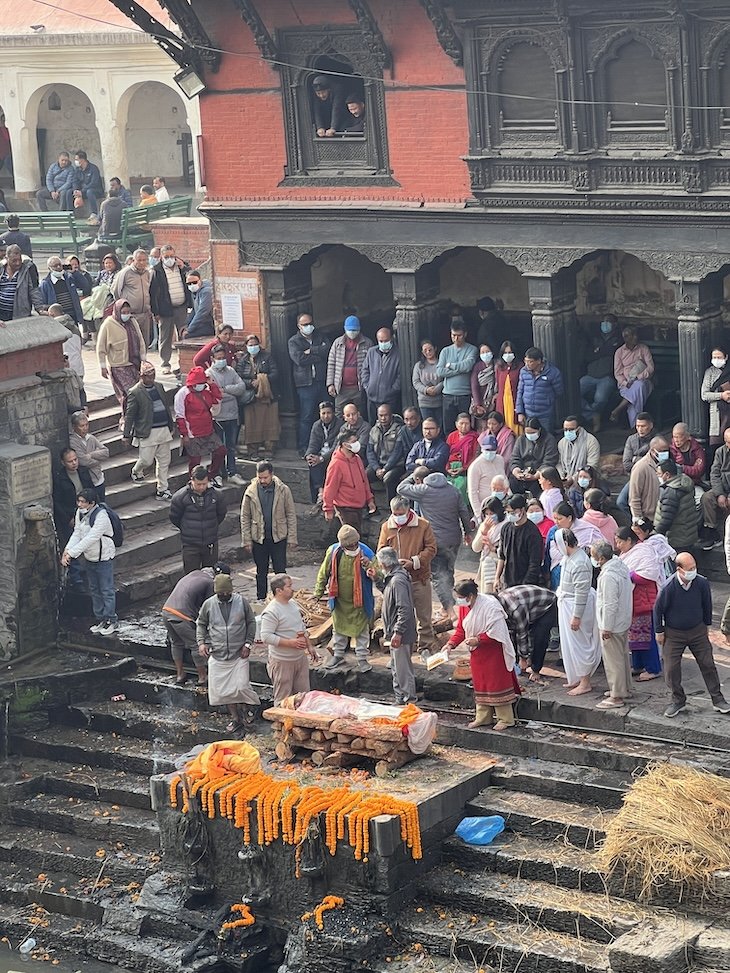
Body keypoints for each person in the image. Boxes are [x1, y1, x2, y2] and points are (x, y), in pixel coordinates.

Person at [653, 553, 730, 718]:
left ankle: (718, 699)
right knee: (671, 668)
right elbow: (658, 610)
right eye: (690, 569)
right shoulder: (669, 587)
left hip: (697, 630)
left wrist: (706, 625)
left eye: (694, 567)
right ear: (679, 570)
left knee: (708, 664)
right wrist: (659, 631)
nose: (693, 571)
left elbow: (707, 604)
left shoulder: (701, 582)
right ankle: (678, 700)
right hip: (674, 633)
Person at [397, 466, 471, 617]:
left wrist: (413, 476)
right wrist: (468, 532)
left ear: (420, 480)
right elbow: (463, 512)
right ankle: (448, 606)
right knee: (448, 572)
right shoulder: (452, 489)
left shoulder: (423, 490)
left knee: (438, 575)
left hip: (435, 540)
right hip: (454, 538)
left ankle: (450, 610)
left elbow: (401, 488)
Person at [445, 579, 520, 729]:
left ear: (471, 596)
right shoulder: (464, 608)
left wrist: (478, 640)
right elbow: (461, 629)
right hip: (477, 654)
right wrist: (450, 644)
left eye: (460, 597)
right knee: (480, 684)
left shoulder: (490, 606)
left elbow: (497, 632)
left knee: (496, 683)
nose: (458, 601)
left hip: (493, 653)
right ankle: (483, 717)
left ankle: (506, 719)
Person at [196, 573, 260, 732]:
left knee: (241, 686)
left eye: (227, 593)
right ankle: (236, 718)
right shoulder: (208, 604)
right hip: (218, 654)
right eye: (221, 593)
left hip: (239, 654)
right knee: (224, 692)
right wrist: (201, 643)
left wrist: (248, 643)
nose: (224, 596)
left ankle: (248, 709)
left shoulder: (241, 602)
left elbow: (251, 622)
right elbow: (201, 624)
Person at [377, 496, 437, 657]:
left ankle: (425, 647)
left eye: (401, 513)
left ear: (408, 510)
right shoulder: (386, 527)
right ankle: (402, 649)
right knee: (399, 615)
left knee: (424, 616)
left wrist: (414, 562)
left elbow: (431, 548)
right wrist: (392, 563)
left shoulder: (423, 525)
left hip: (419, 578)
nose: (397, 516)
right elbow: (381, 550)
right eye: (395, 513)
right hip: (397, 581)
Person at [314, 525, 375, 672]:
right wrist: (318, 592)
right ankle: (338, 655)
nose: (353, 547)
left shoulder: (366, 552)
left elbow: (378, 574)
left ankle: (362, 658)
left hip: (360, 601)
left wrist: (369, 567)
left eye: (355, 544)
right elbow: (324, 573)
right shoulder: (334, 552)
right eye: (349, 545)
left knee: (362, 631)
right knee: (339, 630)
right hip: (339, 600)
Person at [163, 562, 230, 685]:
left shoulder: (195, 573)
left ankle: (180, 674)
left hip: (166, 610)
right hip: (181, 615)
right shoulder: (210, 582)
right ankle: (202, 676)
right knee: (196, 644)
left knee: (176, 643)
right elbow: (210, 608)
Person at [61, 489, 118, 634]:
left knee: (106, 590)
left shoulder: (101, 516)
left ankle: (111, 620)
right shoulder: (79, 513)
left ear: (91, 503)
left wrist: (72, 554)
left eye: (82, 502)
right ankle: (100, 619)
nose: (79, 504)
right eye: (78, 501)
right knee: (94, 589)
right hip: (90, 557)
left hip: (103, 557)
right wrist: (67, 550)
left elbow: (91, 537)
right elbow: (77, 533)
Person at [240, 461, 297, 602]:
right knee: (261, 571)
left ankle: (281, 598)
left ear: (271, 474)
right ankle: (261, 598)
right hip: (259, 538)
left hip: (278, 538)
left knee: (280, 570)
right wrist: (246, 539)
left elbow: (290, 514)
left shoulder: (284, 490)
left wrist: (292, 538)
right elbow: (245, 516)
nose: (262, 480)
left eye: (265, 477)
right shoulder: (250, 491)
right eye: (260, 477)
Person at [555, 528, 601, 696]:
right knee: (571, 644)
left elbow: (581, 592)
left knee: (581, 644)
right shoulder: (570, 558)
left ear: (566, 543)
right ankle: (576, 677)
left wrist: (576, 616)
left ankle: (585, 682)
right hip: (567, 604)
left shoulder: (580, 562)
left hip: (576, 606)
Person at [260, 574, 318, 704]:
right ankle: (282, 723)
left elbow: (301, 627)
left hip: (299, 659)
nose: (293, 589)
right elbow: (266, 636)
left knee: (303, 697)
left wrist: (309, 646)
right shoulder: (272, 611)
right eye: (289, 586)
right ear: (279, 591)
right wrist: (290, 643)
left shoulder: (293, 604)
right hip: (282, 661)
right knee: (283, 699)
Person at [123, 361, 175, 501]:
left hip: (163, 429)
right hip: (148, 431)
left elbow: (165, 405)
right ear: (141, 376)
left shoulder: (159, 386)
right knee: (146, 460)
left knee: (164, 461)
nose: (151, 378)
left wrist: (171, 424)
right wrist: (126, 434)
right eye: (148, 375)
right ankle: (136, 470)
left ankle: (162, 489)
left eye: (153, 375)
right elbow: (130, 415)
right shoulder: (135, 392)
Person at [615, 527, 662, 680]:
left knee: (646, 637)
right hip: (633, 601)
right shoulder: (627, 554)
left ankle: (653, 668)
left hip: (645, 600)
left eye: (620, 542)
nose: (618, 546)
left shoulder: (643, 552)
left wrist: (628, 575)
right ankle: (638, 665)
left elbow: (650, 574)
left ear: (629, 540)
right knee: (634, 635)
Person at [591, 540, 633, 709]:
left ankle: (616, 695)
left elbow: (609, 603)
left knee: (613, 660)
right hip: (623, 619)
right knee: (622, 656)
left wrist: (606, 626)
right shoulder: (621, 566)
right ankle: (624, 688)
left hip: (613, 623)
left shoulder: (608, 576)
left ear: (601, 558)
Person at [374, 547, 418, 705]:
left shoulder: (397, 580)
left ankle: (409, 700)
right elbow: (387, 593)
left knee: (402, 669)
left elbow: (404, 608)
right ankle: (400, 698)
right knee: (396, 668)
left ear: (385, 563)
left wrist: (398, 632)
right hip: (396, 631)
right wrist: (377, 580)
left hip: (401, 633)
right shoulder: (393, 578)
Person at [170, 465, 228, 573]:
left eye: (204, 484)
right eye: (198, 484)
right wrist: (187, 528)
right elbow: (175, 517)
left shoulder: (217, 496)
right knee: (191, 577)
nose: (201, 487)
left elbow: (221, 514)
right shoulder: (180, 497)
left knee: (211, 576)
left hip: (210, 542)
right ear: (192, 480)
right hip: (190, 544)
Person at [96, 299, 146, 425]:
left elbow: (140, 341)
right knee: (128, 394)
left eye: (128, 312)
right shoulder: (108, 324)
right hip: (118, 366)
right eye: (123, 312)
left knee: (139, 392)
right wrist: (102, 366)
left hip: (134, 364)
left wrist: (144, 360)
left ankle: (138, 418)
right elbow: (101, 348)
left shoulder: (132, 322)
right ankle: (126, 420)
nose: (126, 315)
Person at [495, 584, 558, 683]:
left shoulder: (516, 608)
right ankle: (517, 666)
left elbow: (522, 634)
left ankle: (536, 670)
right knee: (514, 635)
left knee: (539, 637)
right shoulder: (498, 606)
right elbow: (510, 634)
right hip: (530, 605)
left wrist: (523, 658)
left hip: (547, 604)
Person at [174, 366, 226, 483]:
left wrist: (211, 384)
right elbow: (180, 415)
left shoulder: (206, 391)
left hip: (208, 430)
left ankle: (211, 475)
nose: (201, 385)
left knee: (221, 451)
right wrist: (185, 434)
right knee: (195, 460)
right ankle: (194, 481)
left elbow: (217, 399)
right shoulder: (182, 394)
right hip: (193, 433)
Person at [288, 312, 330, 455]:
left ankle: (326, 444)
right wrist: (317, 357)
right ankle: (304, 446)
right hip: (305, 384)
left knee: (325, 415)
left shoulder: (320, 336)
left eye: (310, 323)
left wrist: (311, 350)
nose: (309, 326)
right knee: (306, 416)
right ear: (299, 326)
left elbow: (327, 351)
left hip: (321, 381)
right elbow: (299, 359)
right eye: (305, 324)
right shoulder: (294, 341)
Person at [236, 332, 281, 462]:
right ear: (246, 346)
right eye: (251, 345)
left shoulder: (267, 357)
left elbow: (275, 373)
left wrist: (261, 380)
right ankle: (253, 450)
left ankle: (269, 449)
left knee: (270, 422)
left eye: (255, 344)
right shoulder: (243, 361)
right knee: (252, 424)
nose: (253, 347)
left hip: (268, 396)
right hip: (251, 397)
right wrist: (251, 383)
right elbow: (239, 378)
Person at [322, 429, 377, 533]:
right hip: (345, 507)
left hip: (358, 506)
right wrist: (328, 509)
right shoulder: (336, 464)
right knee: (351, 538)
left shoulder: (357, 459)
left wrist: (369, 499)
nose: (357, 444)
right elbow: (330, 487)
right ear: (345, 444)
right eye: (353, 441)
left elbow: (363, 480)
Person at [207, 344, 248, 481]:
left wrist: (224, 389)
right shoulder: (209, 374)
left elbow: (241, 387)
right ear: (212, 358)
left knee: (231, 446)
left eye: (223, 357)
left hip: (232, 414)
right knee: (218, 447)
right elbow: (214, 395)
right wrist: (230, 393)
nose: (221, 360)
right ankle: (218, 473)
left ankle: (232, 472)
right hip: (218, 417)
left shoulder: (231, 371)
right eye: (218, 358)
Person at [543, 501, 604, 590]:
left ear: (569, 518)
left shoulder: (587, 530)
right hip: (557, 576)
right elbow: (547, 555)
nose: (556, 522)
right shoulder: (553, 532)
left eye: (559, 519)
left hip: (579, 575)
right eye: (555, 518)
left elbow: (598, 550)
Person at [150, 244, 190, 375]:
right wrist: (155, 312)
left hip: (181, 307)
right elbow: (153, 293)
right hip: (165, 309)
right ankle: (165, 363)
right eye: (166, 257)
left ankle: (183, 362)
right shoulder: (157, 271)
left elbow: (192, 276)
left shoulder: (181, 267)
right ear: (161, 257)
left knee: (184, 335)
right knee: (165, 337)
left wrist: (183, 267)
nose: (169, 259)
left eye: (172, 256)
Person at [579, 315, 622, 432]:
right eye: (604, 322)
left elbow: (614, 353)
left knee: (600, 399)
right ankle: (592, 415)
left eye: (609, 322)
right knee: (574, 392)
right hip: (590, 375)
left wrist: (599, 351)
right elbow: (587, 356)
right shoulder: (595, 337)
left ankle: (595, 417)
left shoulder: (619, 338)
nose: (605, 324)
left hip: (607, 377)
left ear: (615, 324)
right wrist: (604, 351)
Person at [53, 447, 95, 562]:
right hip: (70, 514)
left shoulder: (83, 471)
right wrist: (68, 519)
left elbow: (92, 490)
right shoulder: (59, 478)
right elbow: (57, 501)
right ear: (63, 462)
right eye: (70, 461)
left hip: (88, 511)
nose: (74, 463)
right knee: (72, 544)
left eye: (75, 459)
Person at [436, 319, 478, 433]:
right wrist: (459, 370)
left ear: (465, 334)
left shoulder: (472, 349)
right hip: (448, 394)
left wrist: (450, 365)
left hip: (465, 394)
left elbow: (468, 366)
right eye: (453, 335)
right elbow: (440, 371)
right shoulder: (445, 351)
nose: (456, 338)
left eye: (459, 335)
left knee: (466, 427)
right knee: (448, 428)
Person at [494, 494, 543, 590]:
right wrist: (497, 577)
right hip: (508, 580)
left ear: (522, 510)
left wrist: (524, 585)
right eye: (507, 512)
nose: (510, 515)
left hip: (525, 584)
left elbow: (534, 563)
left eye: (513, 512)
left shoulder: (532, 532)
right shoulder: (506, 528)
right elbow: (502, 556)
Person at [326, 315, 372, 413]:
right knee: (339, 414)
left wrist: (367, 385)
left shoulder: (367, 343)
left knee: (359, 414)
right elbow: (331, 364)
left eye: (355, 330)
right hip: (341, 388)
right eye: (350, 330)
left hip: (359, 388)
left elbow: (370, 366)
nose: (352, 332)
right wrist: (330, 384)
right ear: (345, 329)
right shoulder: (337, 343)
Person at [610, 326, 655, 427]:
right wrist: (626, 383)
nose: (636, 337)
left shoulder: (643, 348)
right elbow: (617, 373)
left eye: (636, 335)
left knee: (639, 385)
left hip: (644, 382)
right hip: (626, 384)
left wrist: (638, 377)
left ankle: (618, 409)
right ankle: (636, 427)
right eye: (633, 335)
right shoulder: (619, 352)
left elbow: (651, 367)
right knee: (635, 397)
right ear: (626, 338)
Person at [653, 459, 698, 551]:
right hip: (688, 534)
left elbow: (666, 519)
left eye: (659, 473)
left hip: (676, 539)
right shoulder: (684, 482)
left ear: (667, 475)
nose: (657, 476)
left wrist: (655, 535)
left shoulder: (671, 492)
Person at [516, 347, 564, 432]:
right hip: (528, 413)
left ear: (538, 361)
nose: (527, 364)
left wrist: (548, 400)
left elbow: (559, 392)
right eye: (525, 361)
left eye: (530, 361)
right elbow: (520, 392)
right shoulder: (523, 371)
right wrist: (520, 412)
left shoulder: (553, 372)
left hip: (545, 414)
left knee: (546, 438)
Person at [508, 417, 559, 496]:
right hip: (523, 473)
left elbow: (549, 461)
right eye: (527, 432)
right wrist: (516, 471)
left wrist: (536, 475)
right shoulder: (521, 439)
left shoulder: (549, 440)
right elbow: (515, 458)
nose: (530, 435)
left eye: (532, 432)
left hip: (539, 473)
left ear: (539, 430)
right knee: (512, 481)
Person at [112, 249, 153, 346]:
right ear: (134, 260)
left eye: (144, 260)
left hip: (145, 314)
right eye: (139, 260)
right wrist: (123, 308)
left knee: (144, 342)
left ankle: (143, 360)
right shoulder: (125, 273)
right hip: (130, 315)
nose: (142, 263)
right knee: (132, 343)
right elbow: (116, 291)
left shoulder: (148, 273)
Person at [305, 400, 343, 506]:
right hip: (320, 454)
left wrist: (321, 458)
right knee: (312, 461)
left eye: (328, 413)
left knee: (321, 461)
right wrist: (309, 455)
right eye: (323, 413)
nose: (326, 416)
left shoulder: (340, 425)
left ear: (333, 413)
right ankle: (320, 492)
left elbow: (337, 447)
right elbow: (313, 444)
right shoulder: (316, 425)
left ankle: (326, 495)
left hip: (334, 456)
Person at [361, 326, 401, 425]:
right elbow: (365, 370)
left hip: (389, 399)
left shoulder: (398, 354)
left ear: (391, 338)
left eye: (386, 340)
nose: (383, 343)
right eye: (381, 341)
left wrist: (392, 390)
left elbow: (400, 376)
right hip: (372, 398)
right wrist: (367, 386)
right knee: (372, 425)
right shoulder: (371, 352)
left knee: (390, 425)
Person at [366, 403, 403, 501]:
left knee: (388, 478)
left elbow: (397, 452)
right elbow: (369, 451)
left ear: (391, 415)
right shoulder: (374, 430)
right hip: (378, 465)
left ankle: (390, 508)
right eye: (380, 415)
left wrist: (385, 469)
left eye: (386, 415)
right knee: (364, 475)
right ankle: (371, 506)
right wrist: (377, 468)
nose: (383, 418)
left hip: (395, 465)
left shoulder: (399, 429)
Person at [628, 436, 670, 524]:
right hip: (648, 518)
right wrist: (638, 519)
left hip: (664, 515)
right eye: (662, 451)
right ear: (653, 451)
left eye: (666, 451)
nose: (665, 454)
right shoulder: (641, 467)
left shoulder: (667, 464)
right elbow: (634, 495)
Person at [69, 410, 108, 503]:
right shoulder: (73, 441)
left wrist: (91, 455)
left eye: (86, 425)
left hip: (99, 478)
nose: (85, 428)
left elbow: (106, 452)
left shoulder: (91, 438)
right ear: (74, 427)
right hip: (86, 481)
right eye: (82, 426)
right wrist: (99, 459)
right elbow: (83, 462)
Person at [701, 426, 730, 550]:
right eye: (727, 442)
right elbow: (714, 473)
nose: (729, 445)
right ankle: (712, 531)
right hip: (722, 488)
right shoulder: (720, 452)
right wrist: (720, 494)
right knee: (707, 497)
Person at [0, 245, 46, 322]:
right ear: (7, 258)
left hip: (20, 315)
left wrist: (39, 309)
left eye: (19, 260)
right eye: (14, 261)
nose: (18, 263)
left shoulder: (28, 269)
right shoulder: (1, 269)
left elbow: (34, 290)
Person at [471, 496, 505, 594]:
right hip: (486, 566)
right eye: (487, 514)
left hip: (499, 565)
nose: (489, 516)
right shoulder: (484, 526)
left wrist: (493, 548)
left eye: (492, 513)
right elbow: (476, 548)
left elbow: (506, 549)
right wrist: (484, 532)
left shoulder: (505, 526)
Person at [467, 434, 506, 520]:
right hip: (486, 507)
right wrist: (478, 515)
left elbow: (505, 481)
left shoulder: (500, 460)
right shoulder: (475, 466)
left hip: (502, 503)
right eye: (487, 449)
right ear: (482, 448)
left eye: (492, 450)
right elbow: (472, 493)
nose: (490, 452)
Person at [701, 346, 730, 459]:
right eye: (714, 357)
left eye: (719, 357)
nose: (716, 360)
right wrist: (721, 396)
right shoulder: (710, 372)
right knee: (716, 445)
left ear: (726, 357)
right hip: (717, 414)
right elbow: (704, 395)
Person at [445, 413, 480, 507]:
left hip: (466, 469)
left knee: (461, 486)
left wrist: (464, 468)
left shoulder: (475, 437)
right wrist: (447, 468)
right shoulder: (451, 436)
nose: (464, 426)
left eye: (467, 423)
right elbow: (446, 453)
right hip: (451, 468)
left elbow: (475, 456)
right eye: (461, 423)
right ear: (456, 424)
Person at [40, 256, 84, 329]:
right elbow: (43, 304)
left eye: (59, 265)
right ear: (49, 268)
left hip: (73, 315)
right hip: (58, 318)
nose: (58, 267)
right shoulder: (45, 283)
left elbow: (84, 286)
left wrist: (75, 272)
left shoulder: (69, 278)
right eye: (55, 266)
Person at [557, 416, 600, 486]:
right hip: (567, 478)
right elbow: (559, 463)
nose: (568, 432)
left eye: (571, 429)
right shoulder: (562, 442)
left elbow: (592, 465)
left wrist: (574, 478)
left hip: (586, 479)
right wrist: (562, 477)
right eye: (565, 429)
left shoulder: (591, 441)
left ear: (579, 429)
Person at [384, 406, 422, 484]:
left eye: (412, 419)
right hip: (406, 464)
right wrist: (386, 468)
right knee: (389, 478)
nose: (409, 423)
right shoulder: (403, 430)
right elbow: (397, 451)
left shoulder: (424, 430)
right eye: (406, 419)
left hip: (420, 466)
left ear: (418, 418)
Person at [493, 341, 522, 435]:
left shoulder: (520, 367)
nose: (507, 355)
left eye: (510, 352)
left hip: (515, 402)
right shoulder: (499, 367)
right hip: (503, 403)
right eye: (505, 353)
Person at [412, 339, 443, 423]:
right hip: (424, 402)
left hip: (439, 401)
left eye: (430, 349)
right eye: (425, 350)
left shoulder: (441, 363)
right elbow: (416, 382)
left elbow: (445, 379)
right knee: (428, 425)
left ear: (435, 349)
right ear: (422, 351)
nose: (428, 352)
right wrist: (426, 390)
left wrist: (437, 389)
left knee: (440, 426)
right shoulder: (418, 365)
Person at [669, 422, 706, 488]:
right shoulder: (671, 450)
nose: (676, 440)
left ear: (687, 436)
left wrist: (682, 468)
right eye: (674, 437)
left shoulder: (697, 449)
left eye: (679, 437)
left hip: (694, 483)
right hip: (676, 483)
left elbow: (699, 470)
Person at [72, 150, 104, 225]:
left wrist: (82, 191)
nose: (75, 161)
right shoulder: (77, 170)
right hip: (82, 192)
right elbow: (75, 181)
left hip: (96, 191)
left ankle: (94, 213)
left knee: (89, 191)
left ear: (82, 160)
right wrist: (76, 191)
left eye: (77, 159)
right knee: (68, 192)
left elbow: (94, 183)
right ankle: (70, 214)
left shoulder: (93, 168)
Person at [470, 343, 496, 428]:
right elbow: (474, 385)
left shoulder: (497, 365)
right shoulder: (477, 366)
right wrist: (478, 404)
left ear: (492, 352)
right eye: (483, 352)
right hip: (480, 400)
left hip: (492, 400)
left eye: (487, 351)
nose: (485, 354)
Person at [184, 271, 215, 338]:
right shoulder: (195, 292)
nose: (192, 285)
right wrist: (186, 325)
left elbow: (202, 312)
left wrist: (189, 330)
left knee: (187, 336)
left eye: (194, 282)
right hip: (203, 323)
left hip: (210, 325)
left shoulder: (206, 292)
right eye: (189, 284)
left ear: (200, 280)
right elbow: (195, 310)